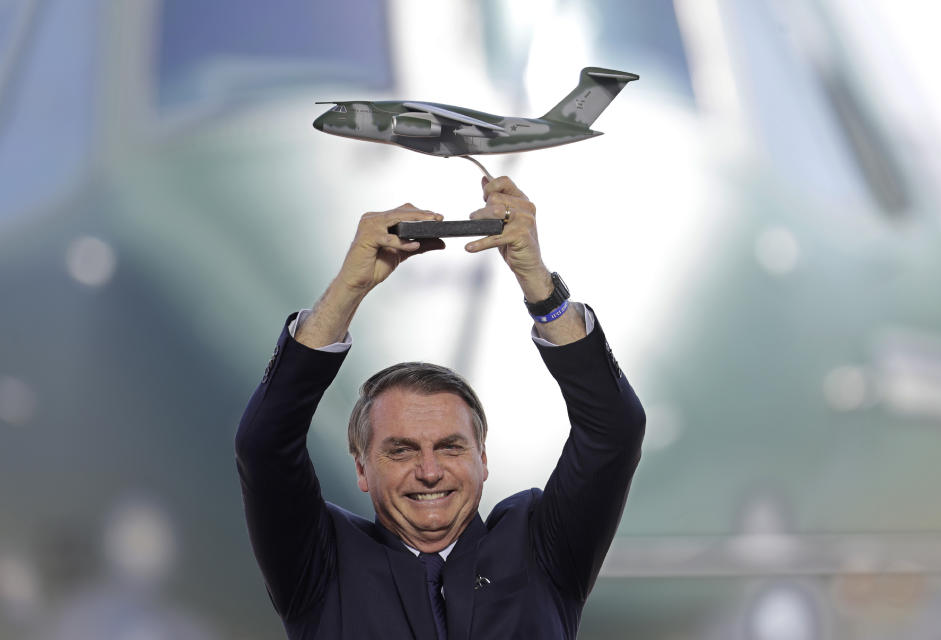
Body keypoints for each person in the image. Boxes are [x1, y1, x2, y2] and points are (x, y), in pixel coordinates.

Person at [235, 176, 645, 639]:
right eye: (402, 451)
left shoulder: (539, 548)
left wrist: (539, 284)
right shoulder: (320, 563)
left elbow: (614, 430)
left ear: (483, 459)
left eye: (450, 448)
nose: (429, 471)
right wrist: (349, 287)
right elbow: (264, 446)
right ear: (362, 467)